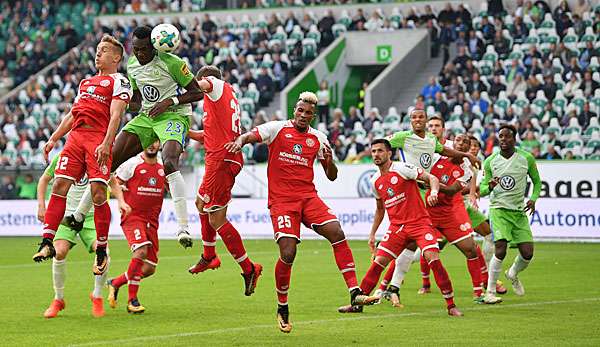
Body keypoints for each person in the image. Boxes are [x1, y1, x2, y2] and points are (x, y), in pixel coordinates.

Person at [225, 92, 362, 333]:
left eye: (308, 113)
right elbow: (253, 134)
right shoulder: (277, 129)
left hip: (308, 198)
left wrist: (329, 163)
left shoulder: (318, 138)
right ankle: (282, 307)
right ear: (294, 110)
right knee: (288, 252)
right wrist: (241, 141)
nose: (303, 115)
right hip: (282, 202)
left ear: (313, 116)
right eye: (300, 110)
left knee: (337, 232)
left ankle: (354, 292)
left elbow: (332, 175)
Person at [66, 25, 202, 249]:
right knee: (107, 160)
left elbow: (197, 92)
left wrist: (170, 101)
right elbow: (138, 100)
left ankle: (183, 227)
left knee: (169, 161)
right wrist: (120, 102)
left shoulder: (173, 63)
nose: (139, 54)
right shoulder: (132, 65)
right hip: (146, 117)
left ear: (154, 46)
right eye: (136, 49)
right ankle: (79, 216)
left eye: (144, 49)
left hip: (174, 117)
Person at [32, 35, 132, 277]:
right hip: (76, 138)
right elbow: (73, 114)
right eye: (98, 49)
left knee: (98, 193)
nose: (99, 54)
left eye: (105, 50)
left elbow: (116, 115)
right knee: (60, 184)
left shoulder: (120, 81)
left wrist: (108, 143)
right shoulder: (85, 83)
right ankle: (47, 241)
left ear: (116, 57)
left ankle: (101, 247)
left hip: (98, 138)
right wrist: (54, 138)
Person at [339, 139, 463, 316]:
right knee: (378, 263)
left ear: (389, 153)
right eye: (373, 151)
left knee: (433, 259)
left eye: (380, 151)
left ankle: (451, 306)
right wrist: (372, 234)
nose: (376, 154)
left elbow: (432, 178)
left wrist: (434, 192)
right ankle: (357, 303)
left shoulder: (402, 168)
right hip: (397, 228)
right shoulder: (375, 181)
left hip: (420, 223)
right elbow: (380, 210)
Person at [375, 109, 480, 304]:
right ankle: (387, 288)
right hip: (412, 192)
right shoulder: (403, 137)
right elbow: (381, 146)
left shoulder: (433, 142)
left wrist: (467, 156)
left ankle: (391, 288)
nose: (418, 120)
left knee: (412, 244)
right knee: (407, 243)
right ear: (410, 120)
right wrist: (395, 168)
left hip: (433, 197)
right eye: (414, 117)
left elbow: (446, 151)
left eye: (421, 117)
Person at [186, 66, 263, 297]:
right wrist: (186, 131)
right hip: (221, 157)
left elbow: (200, 86)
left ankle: (249, 268)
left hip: (222, 159)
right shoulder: (223, 101)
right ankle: (209, 255)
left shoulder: (216, 85)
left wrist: (179, 88)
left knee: (217, 219)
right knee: (202, 205)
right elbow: (207, 135)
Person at [422, 134, 497, 303]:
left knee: (470, 249)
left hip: (449, 214)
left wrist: (431, 184)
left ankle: (478, 293)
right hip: (429, 211)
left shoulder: (467, 171)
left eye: (465, 142)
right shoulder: (435, 158)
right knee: (412, 248)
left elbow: (450, 190)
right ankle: (387, 287)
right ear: (452, 143)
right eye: (458, 141)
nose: (461, 144)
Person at [36, 151, 111, 318]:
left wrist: (121, 200)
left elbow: (111, 181)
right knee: (59, 252)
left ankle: (97, 296)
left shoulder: (98, 156)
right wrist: (41, 205)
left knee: (104, 253)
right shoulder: (63, 156)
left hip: (91, 216)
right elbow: (44, 179)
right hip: (66, 217)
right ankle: (58, 299)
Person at [480, 125, 542, 304]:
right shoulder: (490, 161)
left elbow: (537, 182)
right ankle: (490, 292)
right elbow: (482, 189)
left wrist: (533, 198)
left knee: (528, 253)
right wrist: (489, 186)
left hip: (518, 211)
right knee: (500, 247)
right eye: (501, 136)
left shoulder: (526, 158)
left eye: (507, 137)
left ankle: (513, 273)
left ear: (514, 138)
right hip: (499, 210)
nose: (503, 140)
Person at [106, 141, 164, 314]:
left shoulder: (164, 165)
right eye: (149, 141)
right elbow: (113, 181)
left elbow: (172, 187)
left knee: (149, 268)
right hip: (133, 216)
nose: (152, 145)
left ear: (160, 143)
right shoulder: (132, 164)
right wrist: (121, 202)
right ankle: (132, 300)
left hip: (152, 221)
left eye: (156, 141)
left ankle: (115, 283)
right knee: (140, 252)